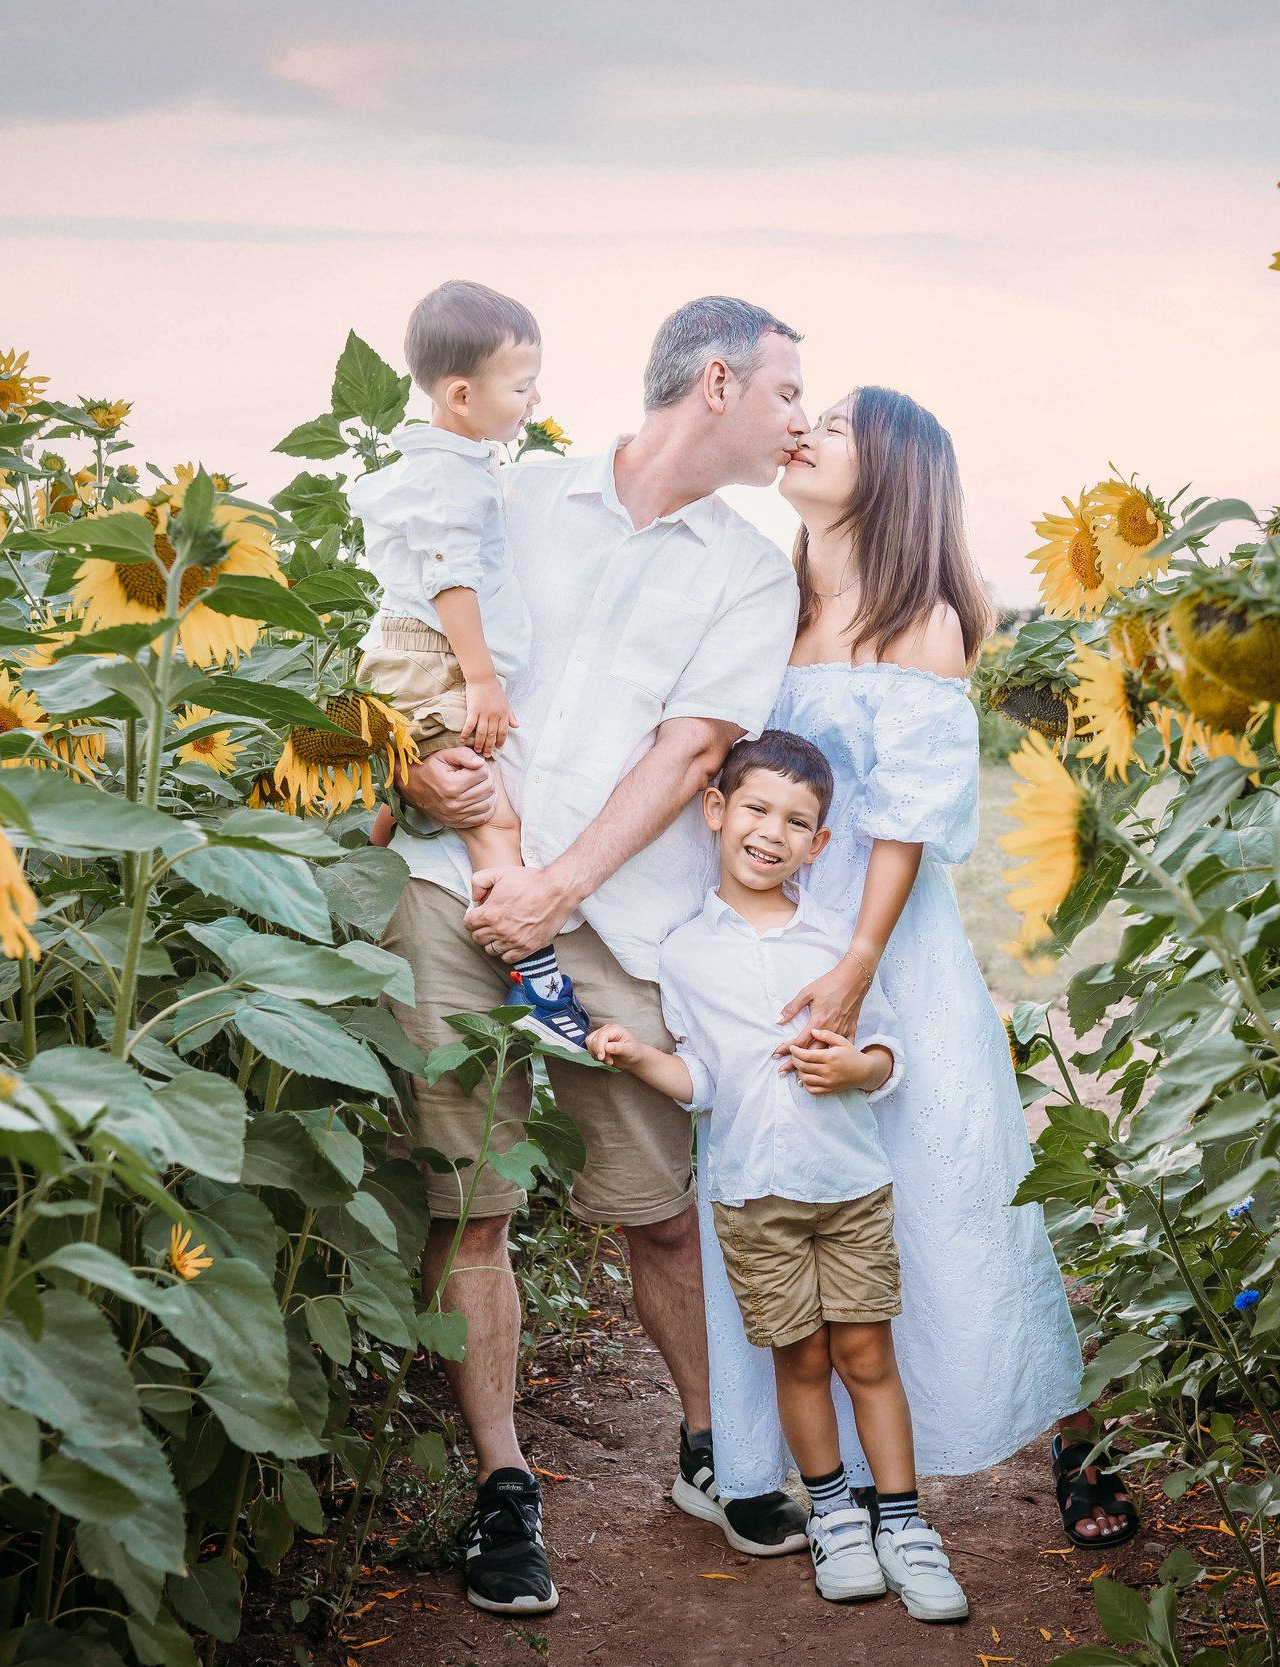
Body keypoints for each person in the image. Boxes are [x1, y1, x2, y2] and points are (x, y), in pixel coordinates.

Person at [380, 296, 812, 1615]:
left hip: (615, 913)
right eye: (790, 389)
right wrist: (421, 757)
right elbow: (403, 642)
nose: (800, 416)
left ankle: (712, 1443)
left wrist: (556, 883)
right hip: (449, 887)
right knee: (474, 1203)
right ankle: (506, 1483)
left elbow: (691, 749)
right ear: (720, 382)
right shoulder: (517, 494)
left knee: (659, 1200)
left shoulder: (750, 566)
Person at [697, 386, 1109, 1546]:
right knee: (779, 1174)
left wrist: (859, 960)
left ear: (891, 473)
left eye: (838, 426)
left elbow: (907, 819)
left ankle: (1069, 1430)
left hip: (887, 937)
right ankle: (805, 1468)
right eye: (810, 413)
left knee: (948, 1180)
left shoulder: (920, 619)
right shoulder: (765, 604)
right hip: (772, 928)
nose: (808, 431)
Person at [588, 731, 971, 1622]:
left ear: (819, 845)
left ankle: (905, 1523)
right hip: (756, 1197)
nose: (773, 831)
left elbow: (887, 1050)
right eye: (756, 808)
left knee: (866, 1352)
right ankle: (834, 1512)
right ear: (716, 811)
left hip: (849, 1186)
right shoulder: (683, 955)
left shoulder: (836, 940)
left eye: (797, 821)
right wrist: (641, 1054)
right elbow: (705, 1084)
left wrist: (859, 1068)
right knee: (799, 1356)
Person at [353, 280, 591, 1049]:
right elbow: (450, 580)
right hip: (437, 665)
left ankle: (357, 890)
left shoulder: (443, 467)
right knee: (493, 813)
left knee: (422, 782)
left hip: (412, 665)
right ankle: (536, 968)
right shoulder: (452, 479)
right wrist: (483, 679)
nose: (532, 401)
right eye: (521, 388)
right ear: (462, 393)